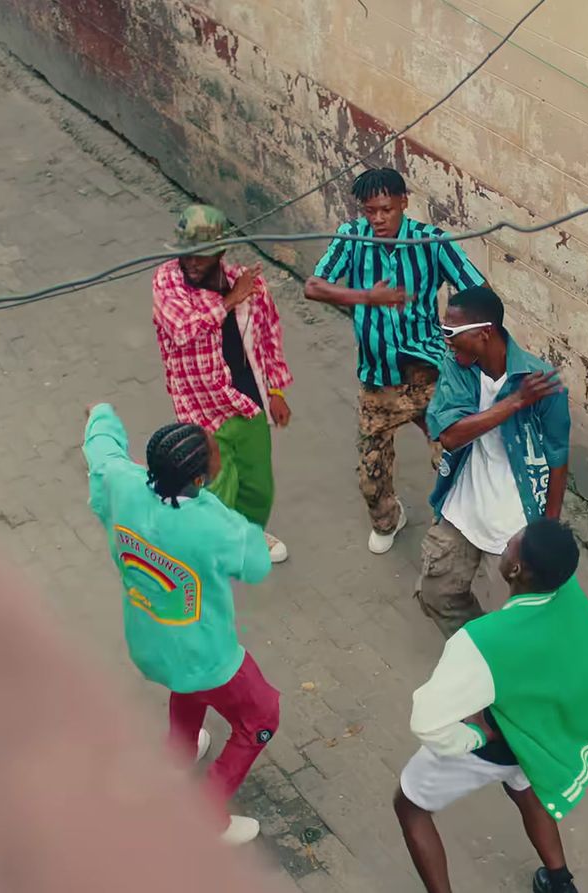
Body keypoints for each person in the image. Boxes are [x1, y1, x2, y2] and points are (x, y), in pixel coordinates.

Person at [395, 519, 588, 893]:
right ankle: (559, 882)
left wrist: (474, 736)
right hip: (541, 737)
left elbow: (428, 723)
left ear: (515, 569)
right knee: (525, 788)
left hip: (499, 740)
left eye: (510, 544)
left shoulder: (480, 642)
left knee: (409, 806)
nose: (506, 545)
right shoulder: (565, 590)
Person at [83, 403, 281, 845]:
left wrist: (100, 412)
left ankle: (179, 755)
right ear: (199, 479)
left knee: (186, 685)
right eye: (213, 453)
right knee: (262, 715)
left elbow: (102, 449)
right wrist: (236, 523)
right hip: (205, 653)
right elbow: (257, 564)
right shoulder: (212, 523)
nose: (216, 453)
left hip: (150, 640)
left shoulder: (125, 483)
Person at [305, 168, 488, 554]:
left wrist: (465, 342)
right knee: (371, 473)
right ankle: (389, 519)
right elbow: (314, 286)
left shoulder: (432, 242)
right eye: (369, 210)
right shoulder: (352, 238)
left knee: (451, 458)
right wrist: (365, 298)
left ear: (404, 201)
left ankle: (456, 528)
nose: (378, 219)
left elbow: (478, 291)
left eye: (386, 209)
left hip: (429, 375)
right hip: (378, 380)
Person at [419, 286, 570, 638]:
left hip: (514, 529)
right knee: (436, 593)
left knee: (523, 626)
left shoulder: (542, 383)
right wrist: (514, 403)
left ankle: (509, 671)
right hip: (463, 511)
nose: (447, 342)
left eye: (452, 333)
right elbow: (451, 435)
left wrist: (547, 531)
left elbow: (558, 458)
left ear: (484, 332)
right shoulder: (459, 368)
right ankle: (482, 651)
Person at [152, 204, 293, 563]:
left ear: (220, 251)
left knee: (258, 485)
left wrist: (275, 391)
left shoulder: (248, 285)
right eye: (187, 255)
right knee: (216, 485)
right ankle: (208, 548)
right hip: (199, 405)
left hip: (245, 400)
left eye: (202, 256)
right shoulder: (167, 282)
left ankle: (250, 533)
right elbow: (183, 330)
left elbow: (268, 339)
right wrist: (231, 300)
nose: (193, 263)